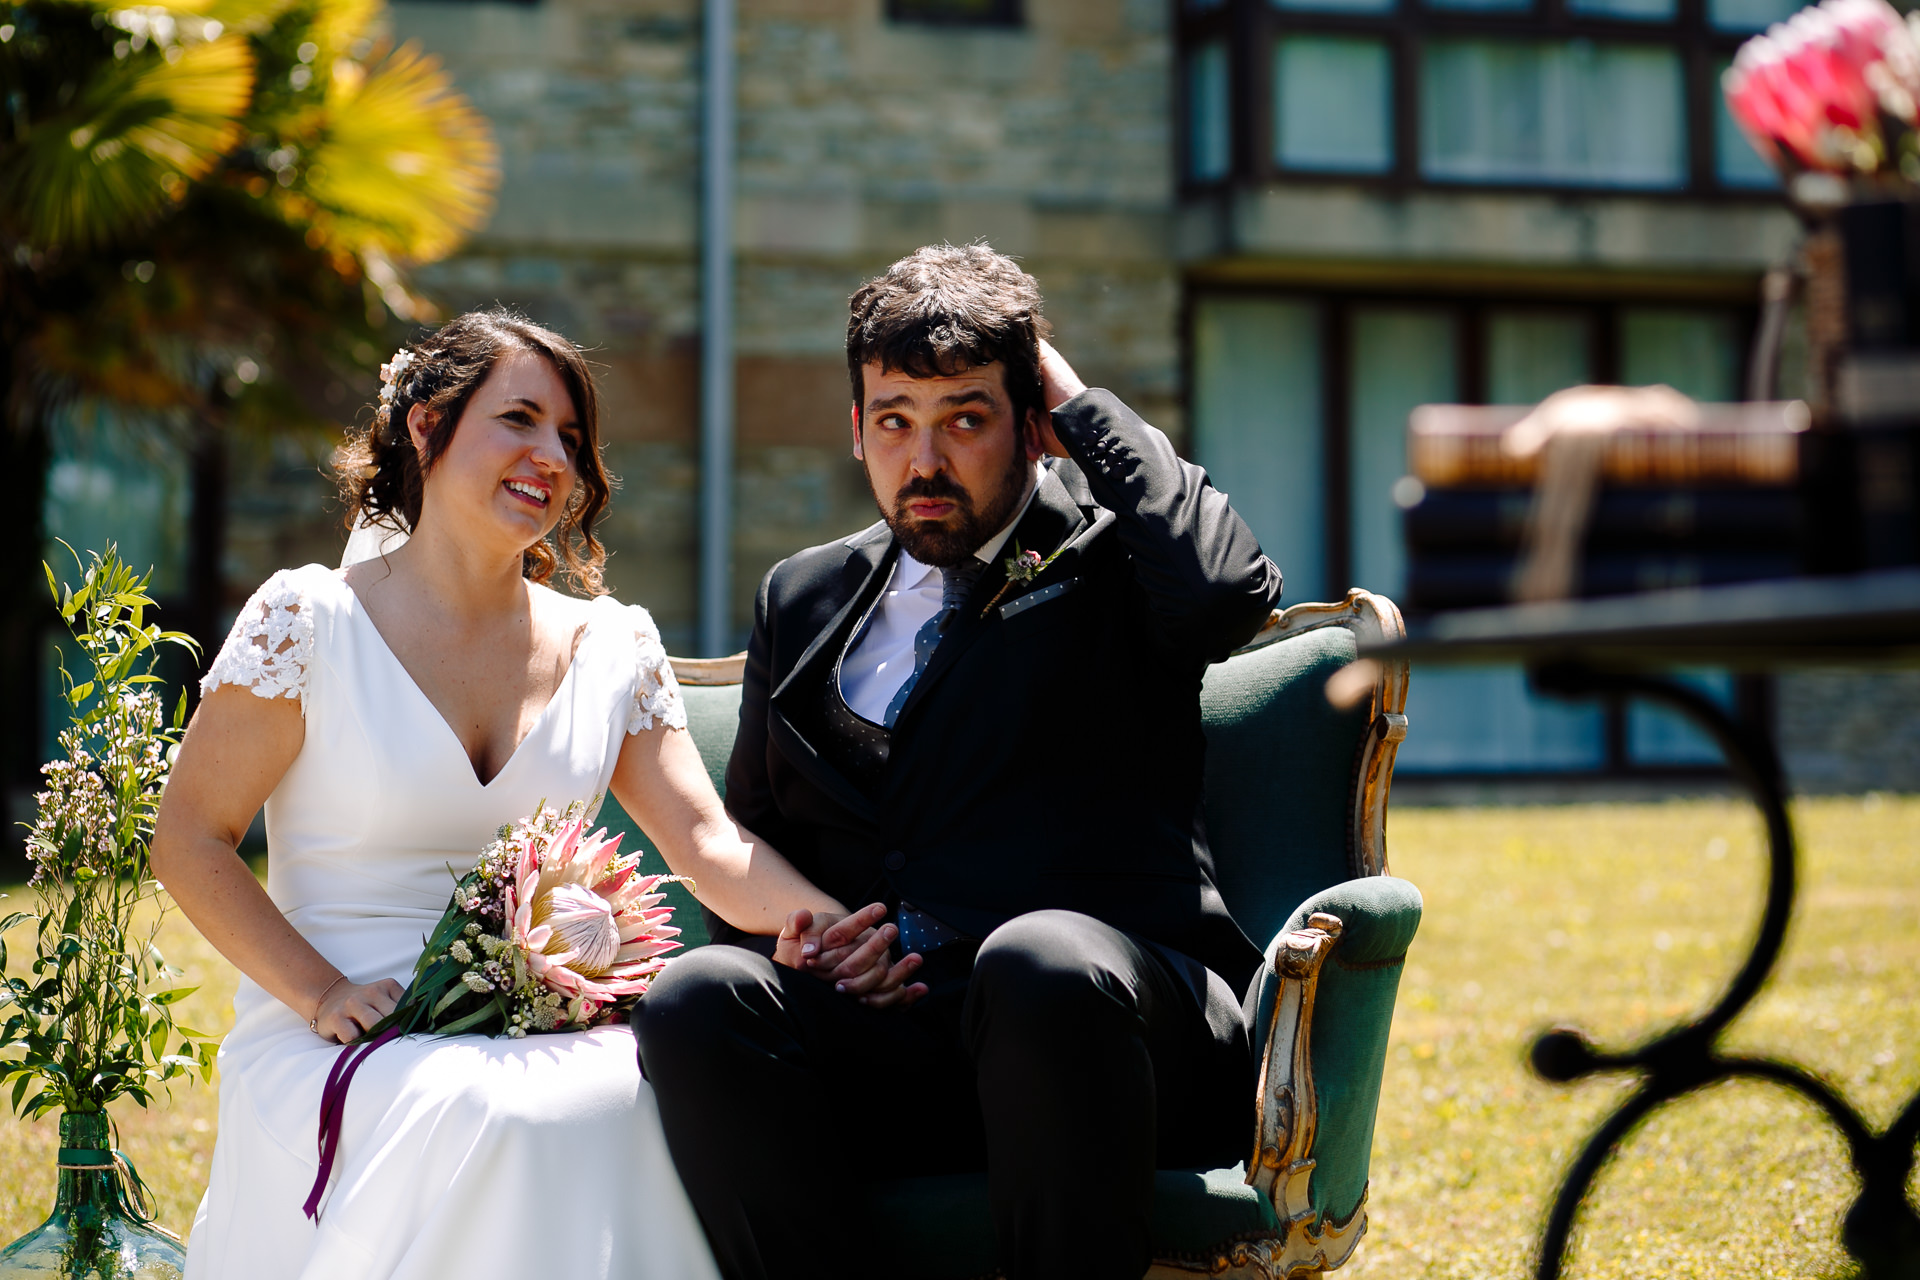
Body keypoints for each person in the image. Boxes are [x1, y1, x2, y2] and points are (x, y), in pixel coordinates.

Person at [153, 308, 907, 1280]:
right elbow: (189, 839)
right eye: (520, 418)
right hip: (340, 1022)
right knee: (496, 1113)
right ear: (426, 427)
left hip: (539, 1021)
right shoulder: (309, 621)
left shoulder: (608, 645)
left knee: (644, 1088)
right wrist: (321, 989)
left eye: (572, 436)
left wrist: (843, 933)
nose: (552, 454)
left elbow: (707, 842)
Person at [632, 244, 1285, 1280]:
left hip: (1106, 1029)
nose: (924, 459)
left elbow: (1223, 591)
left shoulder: (1114, 558)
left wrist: (1072, 400)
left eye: (964, 419)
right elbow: (755, 829)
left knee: (1039, 960)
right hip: (897, 1045)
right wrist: (817, 941)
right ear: (856, 429)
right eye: (894, 420)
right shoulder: (801, 596)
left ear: (1031, 423)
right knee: (700, 996)